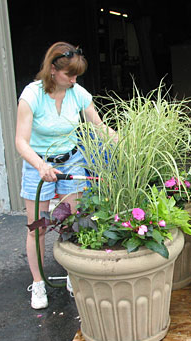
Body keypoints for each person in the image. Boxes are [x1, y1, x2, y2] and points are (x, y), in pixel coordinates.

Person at [15, 41, 116, 309]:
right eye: (68, 75)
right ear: (51, 70)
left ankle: (73, 275)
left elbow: (98, 126)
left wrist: (123, 142)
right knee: (36, 227)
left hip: (71, 160)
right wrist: (40, 166)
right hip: (39, 164)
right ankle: (38, 283)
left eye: (76, 75)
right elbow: (21, 142)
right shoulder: (31, 96)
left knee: (73, 221)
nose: (73, 80)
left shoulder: (77, 93)